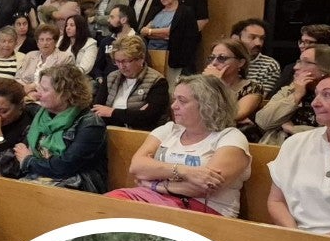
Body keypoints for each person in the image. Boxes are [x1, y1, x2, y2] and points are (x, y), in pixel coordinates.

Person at [106, 75, 251, 217]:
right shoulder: (169, 129)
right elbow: (137, 166)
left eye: (182, 101)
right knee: (106, 204)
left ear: (207, 105)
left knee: (129, 219)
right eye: (174, 99)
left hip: (204, 209)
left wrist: (153, 184)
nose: (173, 106)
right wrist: (184, 171)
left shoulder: (230, 137)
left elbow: (205, 187)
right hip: (154, 198)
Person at [268, 70, 330, 241]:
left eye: (327, 95)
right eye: (316, 94)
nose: (315, 102)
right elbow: (276, 200)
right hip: (297, 238)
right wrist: (296, 235)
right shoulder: (296, 143)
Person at [14, 63, 108, 192]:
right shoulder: (40, 114)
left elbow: (65, 166)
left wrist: (28, 160)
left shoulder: (90, 124)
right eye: (39, 88)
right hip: (40, 175)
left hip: (77, 183)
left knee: (26, 194)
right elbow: (5, 106)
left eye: (45, 90)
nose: (38, 94)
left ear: (66, 94)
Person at [253, 45, 330, 145]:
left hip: (318, 150)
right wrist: (296, 96)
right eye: (299, 61)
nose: (295, 67)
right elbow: (262, 122)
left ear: (325, 68)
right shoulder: (291, 89)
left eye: (306, 62)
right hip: (278, 147)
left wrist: (293, 129)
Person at [91, 35, 170, 130]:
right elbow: (96, 110)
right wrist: (132, 115)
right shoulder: (111, 77)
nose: (121, 66)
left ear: (140, 59)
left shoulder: (157, 81)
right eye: (117, 61)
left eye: (125, 61)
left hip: (140, 135)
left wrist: (111, 112)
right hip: (108, 131)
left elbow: (148, 118)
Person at [140, 0, 197, 85]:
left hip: (173, 56)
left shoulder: (185, 12)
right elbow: (144, 31)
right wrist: (154, 32)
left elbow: (172, 32)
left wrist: (151, 32)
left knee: (171, 85)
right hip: (151, 53)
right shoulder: (157, 11)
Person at [202, 38, 261, 135]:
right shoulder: (203, 84)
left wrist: (217, 83)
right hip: (203, 133)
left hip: (233, 136)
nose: (214, 63)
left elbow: (234, 115)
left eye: (222, 58)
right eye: (211, 58)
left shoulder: (252, 88)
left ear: (241, 62)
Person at [16, 24, 74, 92]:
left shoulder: (65, 58)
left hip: (49, 97)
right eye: (41, 39)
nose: (45, 43)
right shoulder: (30, 55)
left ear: (55, 42)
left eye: (48, 39)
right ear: (37, 43)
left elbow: (59, 83)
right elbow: (18, 77)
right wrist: (28, 91)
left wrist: (33, 87)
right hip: (26, 93)